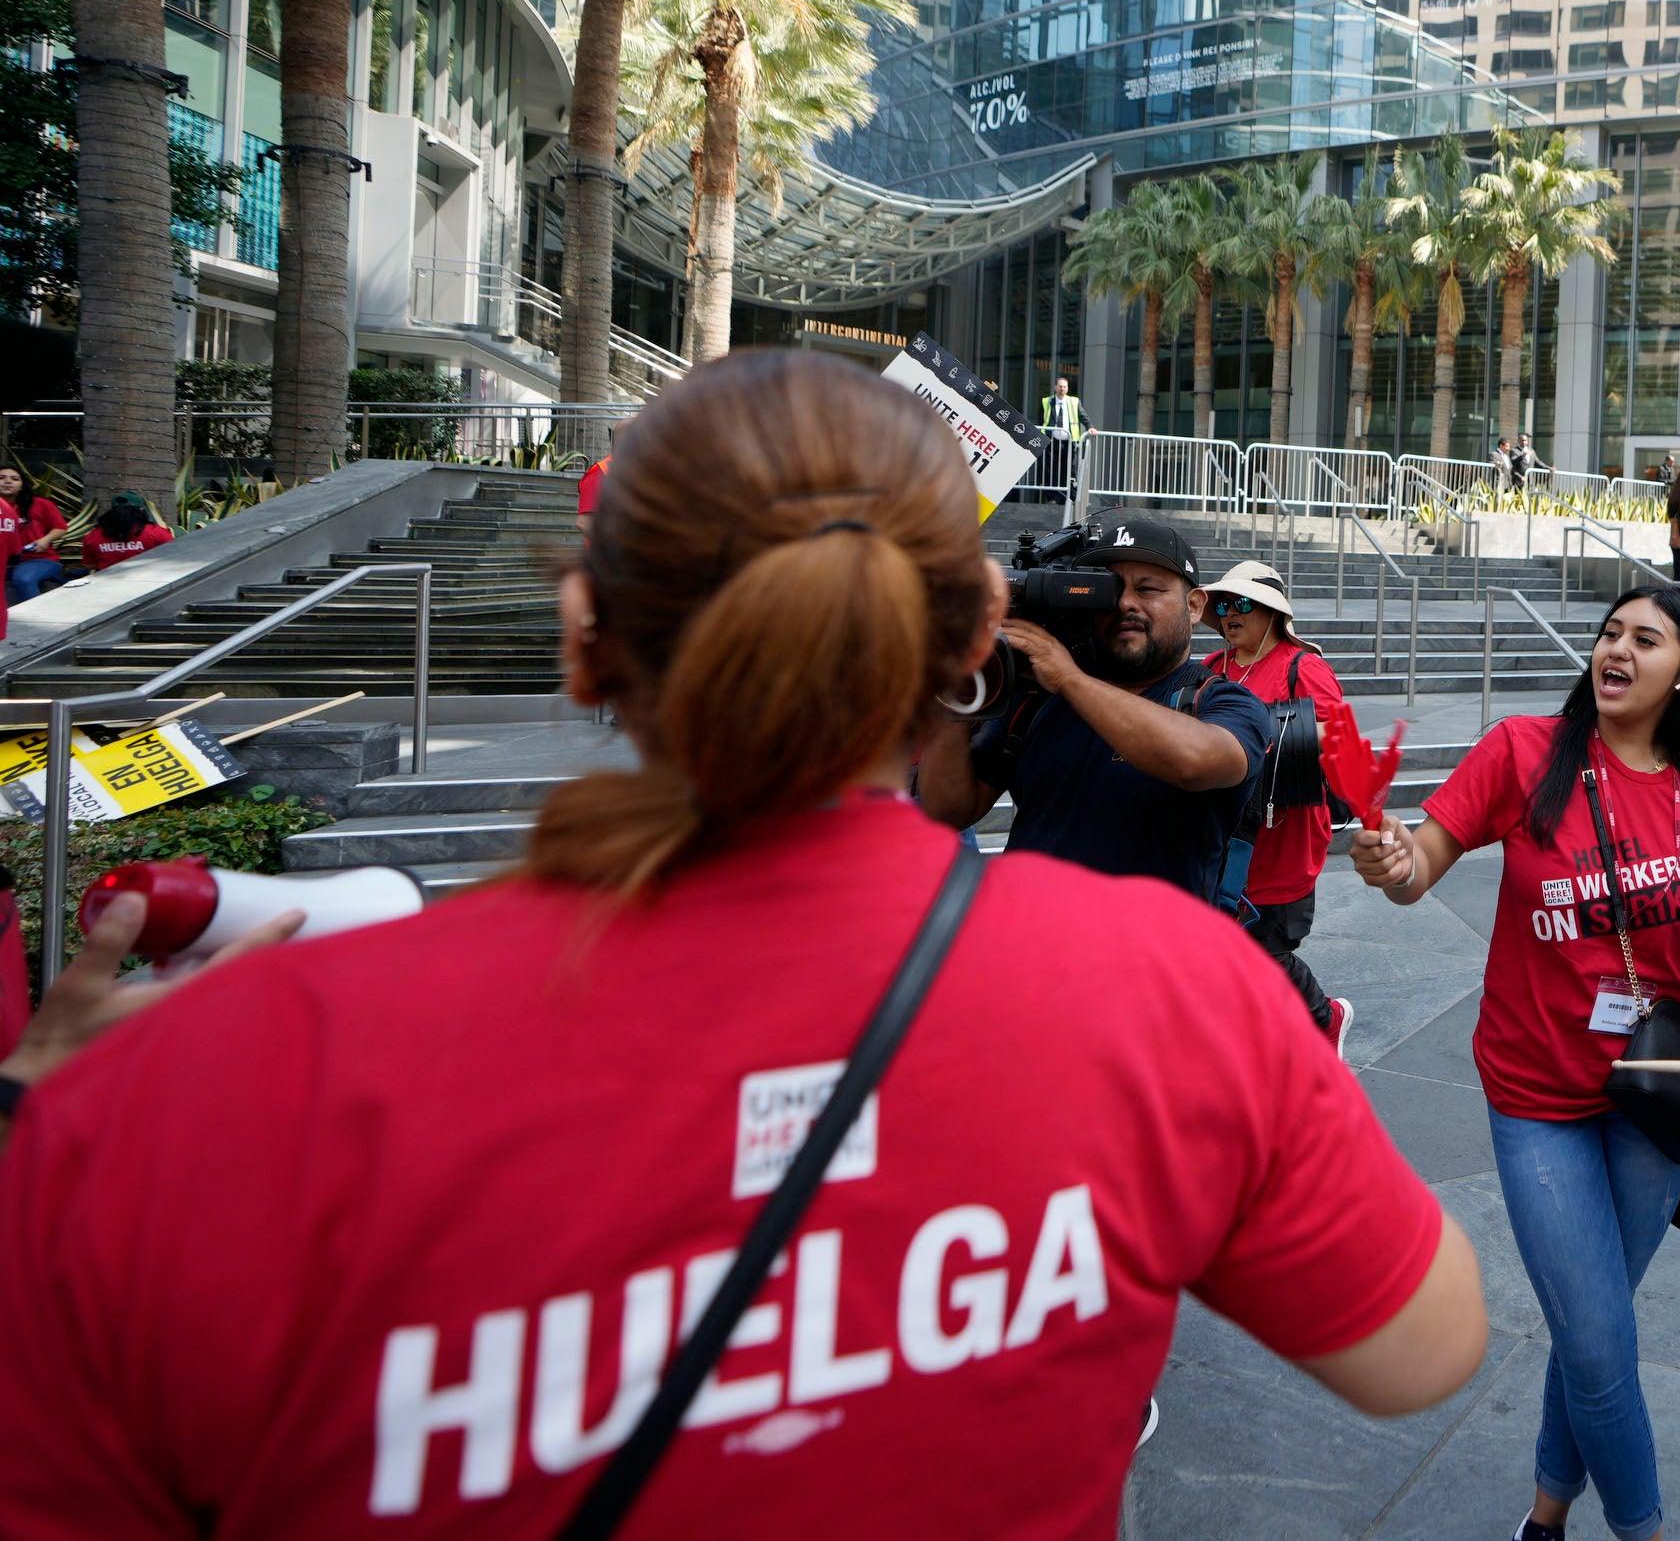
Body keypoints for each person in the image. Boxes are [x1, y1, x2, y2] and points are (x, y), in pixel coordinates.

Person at [0, 350, 1489, 1536]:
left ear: (587, 634)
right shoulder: (1178, 999)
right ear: (970, 628)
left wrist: (54, 1130)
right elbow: (1421, 1348)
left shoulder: (184, 1104)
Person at [1350, 587, 1680, 1541]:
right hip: (1538, 1093)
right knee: (1599, 1337)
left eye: (1645, 639)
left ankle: (1547, 1514)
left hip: (1663, 1093)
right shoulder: (1524, 750)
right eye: (1609, 633)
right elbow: (1423, 860)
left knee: (1588, 1329)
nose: (1616, 649)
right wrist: (1396, 863)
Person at [920, 507, 1274, 907]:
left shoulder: (1219, 701)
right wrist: (953, 695)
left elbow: (1195, 761)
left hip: (1151, 962)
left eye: (1148, 590)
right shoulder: (1037, 701)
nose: (1125, 604)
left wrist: (1070, 678)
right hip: (1024, 953)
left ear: (1193, 606)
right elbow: (944, 811)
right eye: (1108, 589)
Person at [1200, 559, 1354, 1053]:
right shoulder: (1210, 669)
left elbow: (1343, 746)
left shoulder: (1301, 667)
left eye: (1241, 602)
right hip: (1221, 836)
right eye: (1223, 604)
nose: (1229, 613)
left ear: (1269, 611)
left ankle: (1325, 1016)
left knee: (1267, 949)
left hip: (1282, 839)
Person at [0, 465, 71, 604]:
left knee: (23, 579)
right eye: (1, 478)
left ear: (22, 485)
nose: (7, 481)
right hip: (5, 561)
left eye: (14, 479)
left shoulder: (41, 504)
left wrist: (45, 540)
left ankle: (37, 617)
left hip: (39, 559)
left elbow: (61, 527)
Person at [72, 492, 174, 572]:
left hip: (108, 586)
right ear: (142, 510)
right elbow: (176, 555)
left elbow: (90, 565)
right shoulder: (156, 532)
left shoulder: (93, 536)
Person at [1038, 374, 1091, 495]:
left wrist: (1090, 427)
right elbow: (1041, 420)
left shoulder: (1074, 402)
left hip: (1069, 440)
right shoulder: (1047, 401)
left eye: (1064, 387)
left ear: (1067, 389)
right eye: (1060, 386)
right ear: (1055, 387)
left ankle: (1069, 494)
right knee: (1051, 468)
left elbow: (1083, 416)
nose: (1062, 389)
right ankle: (1052, 495)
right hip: (1052, 440)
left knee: (1069, 468)